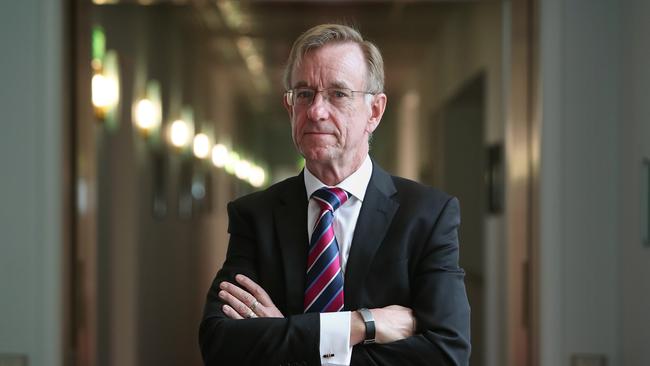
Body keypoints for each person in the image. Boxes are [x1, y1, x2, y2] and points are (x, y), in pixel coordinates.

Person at [199, 23, 471, 366]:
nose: (316, 111)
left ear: (374, 111)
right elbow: (220, 344)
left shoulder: (428, 215)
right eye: (304, 94)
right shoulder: (255, 216)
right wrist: (360, 325)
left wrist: (287, 337)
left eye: (338, 94)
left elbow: (447, 354)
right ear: (290, 107)